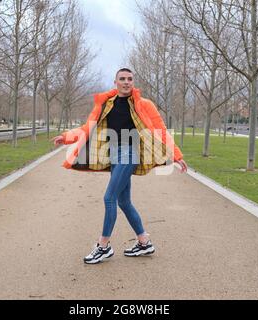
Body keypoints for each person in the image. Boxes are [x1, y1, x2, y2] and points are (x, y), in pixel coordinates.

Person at [51, 68, 187, 264]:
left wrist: (176, 155)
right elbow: (87, 127)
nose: (126, 82)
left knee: (109, 198)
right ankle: (144, 241)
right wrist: (66, 138)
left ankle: (103, 246)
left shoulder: (143, 104)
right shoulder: (106, 103)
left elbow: (161, 129)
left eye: (130, 79)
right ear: (115, 81)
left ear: (133, 82)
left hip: (129, 155)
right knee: (123, 202)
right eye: (122, 79)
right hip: (114, 155)